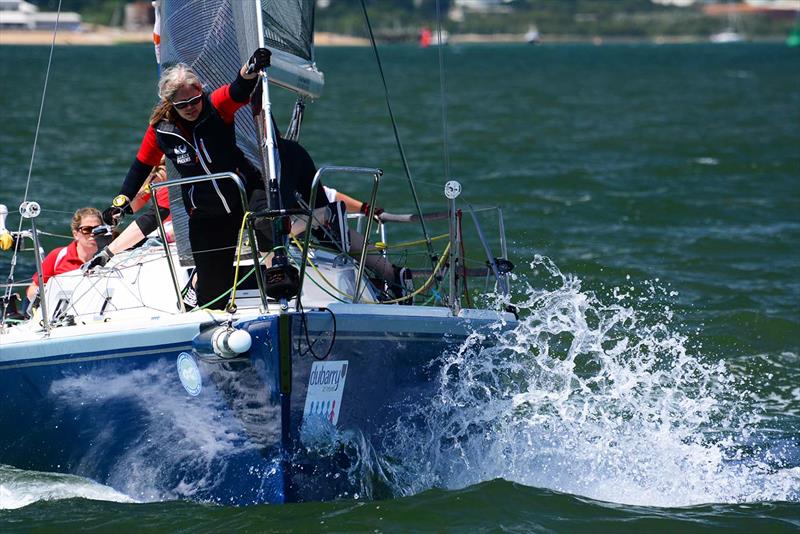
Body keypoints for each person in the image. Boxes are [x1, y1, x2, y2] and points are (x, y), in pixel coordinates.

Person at [105, 49, 272, 309]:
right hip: (206, 210)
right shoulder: (161, 129)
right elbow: (141, 166)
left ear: (200, 92)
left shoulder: (215, 106)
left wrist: (251, 66)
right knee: (212, 287)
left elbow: (237, 90)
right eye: (182, 105)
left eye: (194, 100)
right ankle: (213, 316)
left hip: (243, 190)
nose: (191, 108)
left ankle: (279, 281)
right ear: (170, 103)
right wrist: (121, 203)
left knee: (268, 221)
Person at [86, 160, 171, 270]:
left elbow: (153, 218)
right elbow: (132, 206)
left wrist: (107, 254)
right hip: (162, 231)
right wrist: (116, 210)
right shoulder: (156, 180)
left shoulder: (173, 184)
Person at [26, 207, 103, 300]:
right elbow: (32, 289)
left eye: (98, 229)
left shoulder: (109, 258)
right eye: (87, 229)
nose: (93, 234)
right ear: (75, 234)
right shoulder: (58, 256)